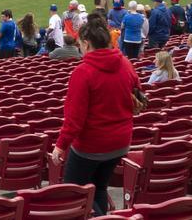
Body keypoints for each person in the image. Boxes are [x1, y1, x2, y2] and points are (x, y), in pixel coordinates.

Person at [52, 13, 138, 217]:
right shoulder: (125, 62)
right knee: (99, 187)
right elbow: (136, 92)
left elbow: (74, 119)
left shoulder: (83, 71)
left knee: (73, 192)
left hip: (92, 145)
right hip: (120, 141)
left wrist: (60, 145)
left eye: (81, 43)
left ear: (87, 43)